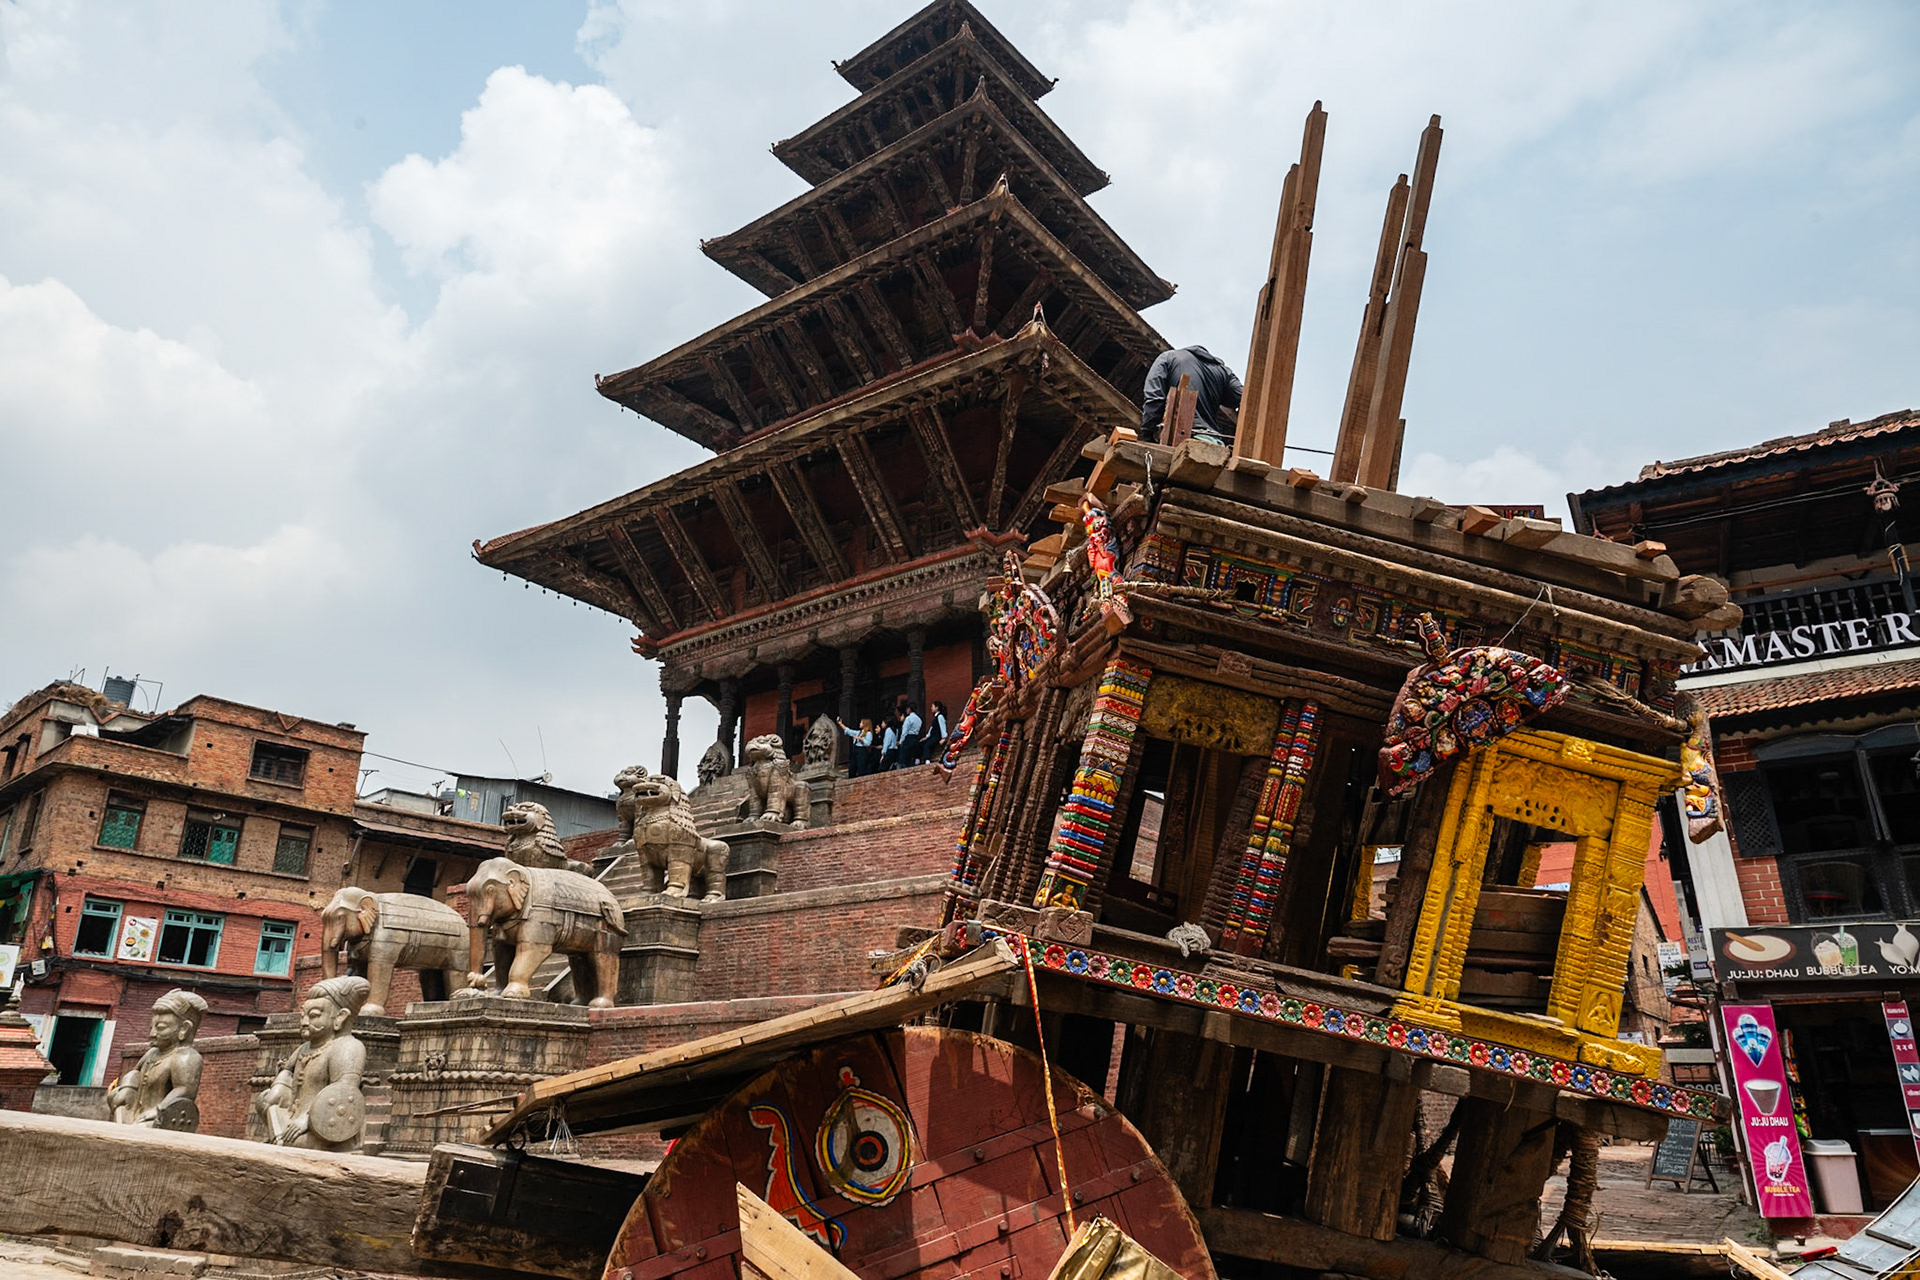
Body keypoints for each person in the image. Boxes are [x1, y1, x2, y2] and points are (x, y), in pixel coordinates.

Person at [108, 989, 207, 1129]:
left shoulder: (186, 1057)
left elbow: (184, 1090)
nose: (152, 1034)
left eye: (161, 1028)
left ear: (184, 1029)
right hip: (135, 1114)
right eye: (152, 1027)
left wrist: (159, 1110)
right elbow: (135, 1072)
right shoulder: (152, 1053)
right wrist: (127, 1088)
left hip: (154, 1119)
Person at [1140, 345, 1243, 447]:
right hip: (1215, 442)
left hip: (1184, 440)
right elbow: (1243, 397)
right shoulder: (1224, 372)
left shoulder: (1168, 357)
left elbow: (1154, 398)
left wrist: (1148, 434)